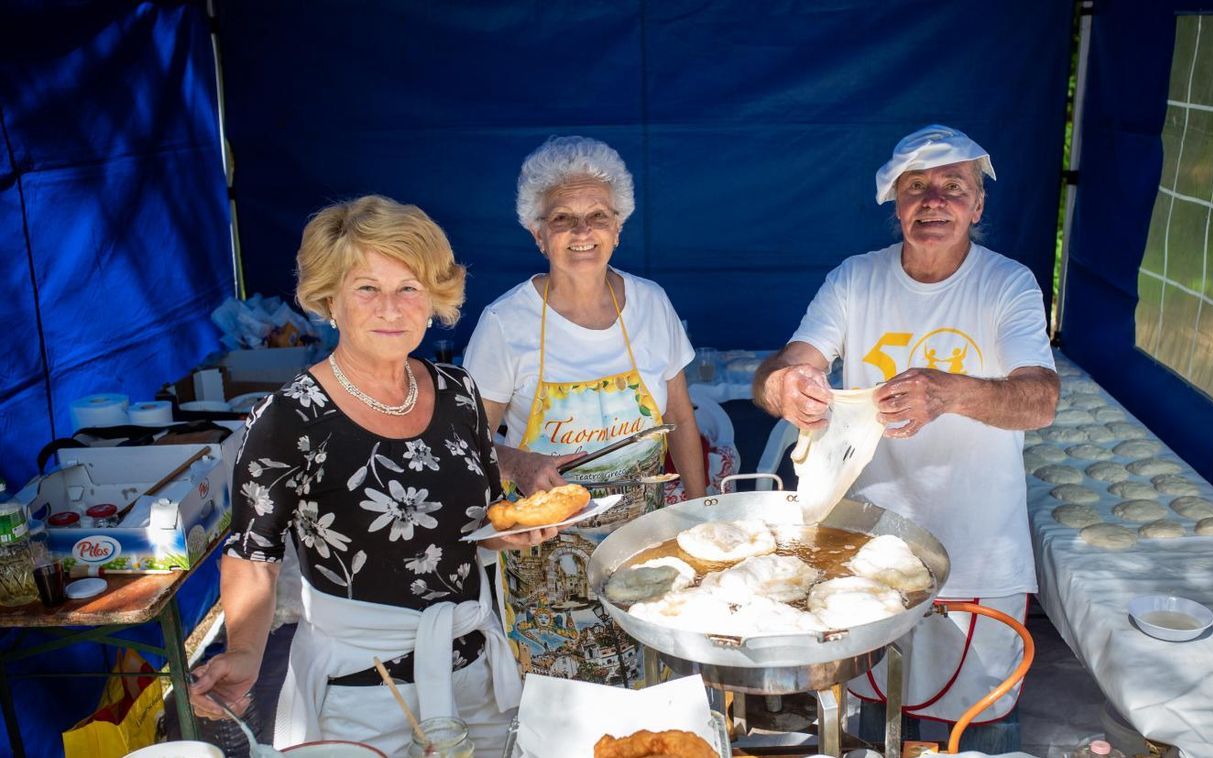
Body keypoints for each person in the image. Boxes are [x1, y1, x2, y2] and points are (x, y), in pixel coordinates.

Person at [189, 195, 552, 757]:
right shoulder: (290, 416)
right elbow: (252, 553)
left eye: (409, 287)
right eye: (367, 288)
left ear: (433, 298)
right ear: (330, 300)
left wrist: (513, 534)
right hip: (363, 691)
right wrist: (242, 654)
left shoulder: (458, 393)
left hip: (475, 676)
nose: (391, 307)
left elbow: (480, 522)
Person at [752, 125, 1058, 752]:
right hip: (864, 550)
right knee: (868, 728)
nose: (934, 200)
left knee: (974, 734)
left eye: (953, 187)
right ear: (894, 203)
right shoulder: (855, 280)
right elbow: (784, 365)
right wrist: (785, 386)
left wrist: (949, 393)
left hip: (976, 552)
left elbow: (1040, 400)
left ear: (978, 205)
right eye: (916, 187)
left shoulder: (1008, 285)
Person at [464, 135, 707, 686]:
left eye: (597, 216)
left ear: (618, 228)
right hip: (550, 559)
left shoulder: (652, 304)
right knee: (565, 715)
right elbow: (464, 441)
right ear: (538, 233)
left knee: (655, 698)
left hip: (649, 549)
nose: (581, 233)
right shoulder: (507, 324)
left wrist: (698, 515)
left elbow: (683, 420)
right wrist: (519, 463)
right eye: (563, 218)